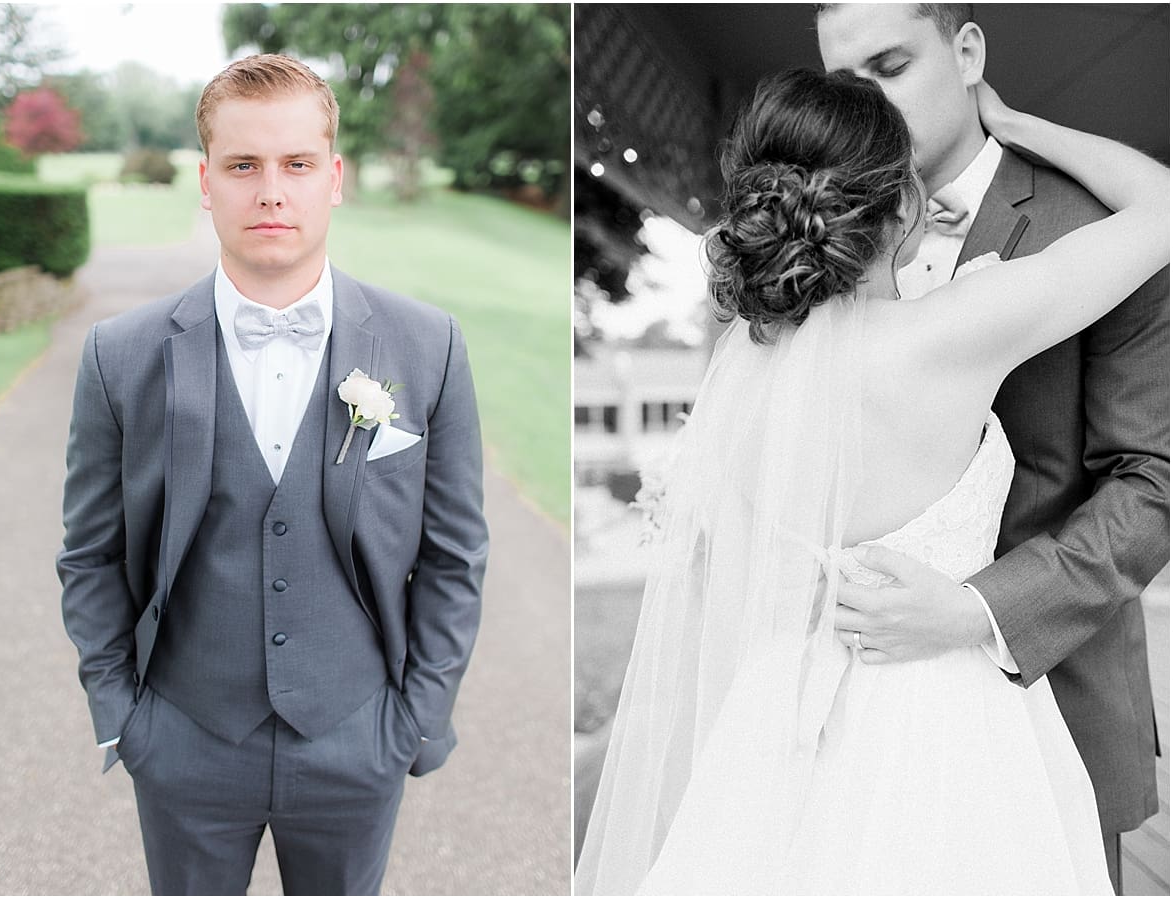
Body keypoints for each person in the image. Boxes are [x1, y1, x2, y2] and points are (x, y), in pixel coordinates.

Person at [573, 59, 1167, 895]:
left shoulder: (746, 363)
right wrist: (1011, 124)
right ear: (901, 203)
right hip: (947, 725)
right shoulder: (959, 329)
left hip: (780, 717)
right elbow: (1164, 207)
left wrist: (907, 230)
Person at [57, 54, 488, 895]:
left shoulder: (427, 345)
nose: (270, 191)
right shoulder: (121, 356)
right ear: (206, 182)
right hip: (183, 742)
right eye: (243, 165)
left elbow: (454, 556)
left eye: (295, 164)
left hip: (357, 739)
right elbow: (90, 556)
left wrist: (411, 720)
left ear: (335, 178)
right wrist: (125, 718)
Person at [815, 5, 1168, 892]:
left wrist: (980, 610)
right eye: (846, 85)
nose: (871, 107)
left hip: (1056, 697)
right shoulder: (813, 243)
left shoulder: (1094, 224)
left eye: (891, 66)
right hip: (847, 719)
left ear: (966, 51)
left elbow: (1153, 483)